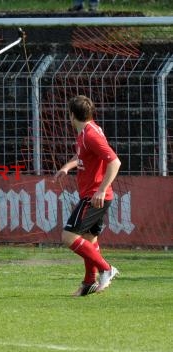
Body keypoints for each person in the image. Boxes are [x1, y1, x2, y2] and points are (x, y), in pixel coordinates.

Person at [53, 95, 120, 296]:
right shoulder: (87, 132)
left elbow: (114, 162)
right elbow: (81, 155)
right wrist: (67, 166)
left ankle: (106, 268)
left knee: (68, 236)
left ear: (72, 115)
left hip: (94, 196)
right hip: (95, 194)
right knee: (89, 240)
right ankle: (89, 283)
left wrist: (101, 189)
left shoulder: (91, 135)